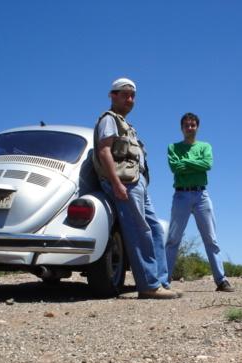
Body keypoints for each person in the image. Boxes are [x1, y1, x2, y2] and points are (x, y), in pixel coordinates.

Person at [92, 78, 178, 299]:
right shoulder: (109, 120)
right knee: (140, 231)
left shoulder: (126, 124)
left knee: (156, 230)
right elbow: (104, 152)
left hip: (137, 182)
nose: (129, 99)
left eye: (132, 95)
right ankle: (148, 285)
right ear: (112, 95)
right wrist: (116, 183)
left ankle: (160, 281)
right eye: (124, 94)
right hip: (125, 183)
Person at [165, 112, 234, 292]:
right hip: (181, 196)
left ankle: (221, 280)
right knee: (173, 239)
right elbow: (175, 167)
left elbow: (207, 165)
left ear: (197, 127)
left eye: (193, 125)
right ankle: (164, 280)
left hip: (201, 195)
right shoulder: (173, 147)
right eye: (186, 125)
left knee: (211, 239)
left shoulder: (205, 146)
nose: (190, 128)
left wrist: (186, 162)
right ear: (182, 128)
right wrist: (195, 164)